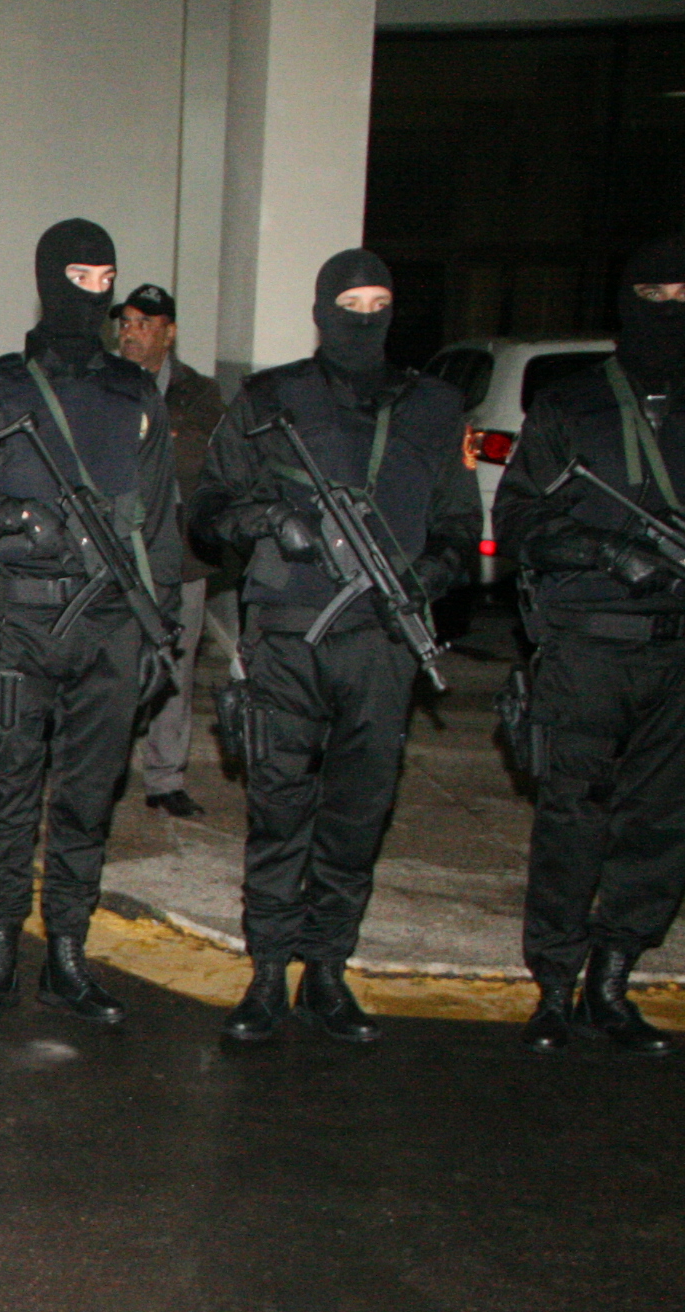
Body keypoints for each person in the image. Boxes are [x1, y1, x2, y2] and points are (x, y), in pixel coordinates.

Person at [191, 249, 479, 1044]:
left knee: (358, 812)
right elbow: (206, 510)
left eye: (380, 303)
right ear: (323, 312)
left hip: (383, 643)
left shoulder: (434, 406)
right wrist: (268, 521)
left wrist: (427, 574)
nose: (365, 318)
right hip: (289, 635)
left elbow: (462, 527)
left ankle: (326, 967)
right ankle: (266, 971)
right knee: (279, 807)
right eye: (351, 304)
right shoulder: (270, 399)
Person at [0, 218, 181, 1025]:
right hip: (22, 623)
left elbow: (159, 526)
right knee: (7, 797)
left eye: (106, 280)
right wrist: (12, 517)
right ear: (46, 280)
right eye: (80, 277)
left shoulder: (134, 393)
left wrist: (162, 632)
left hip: (109, 625)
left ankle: (67, 953)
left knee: (87, 800)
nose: (95, 294)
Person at [494, 234, 685, 1057]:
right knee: (572, 818)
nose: (671, 312)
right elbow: (517, 521)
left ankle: (613, 978)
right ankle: (554, 983)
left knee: (661, 826)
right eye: (656, 298)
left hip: (676, 653)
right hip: (589, 649)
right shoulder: (572, 404)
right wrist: (605, 551)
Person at [112, 282, 229, 816]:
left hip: (179, 550)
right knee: (112, 662)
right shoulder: (104, 382)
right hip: (116, 547)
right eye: (126, 324)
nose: (131, 334)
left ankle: (164, 777)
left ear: (169, 332)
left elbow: (205, 462)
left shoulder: (199, 394)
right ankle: (106, 769)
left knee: (176, 664)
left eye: (144, 324)